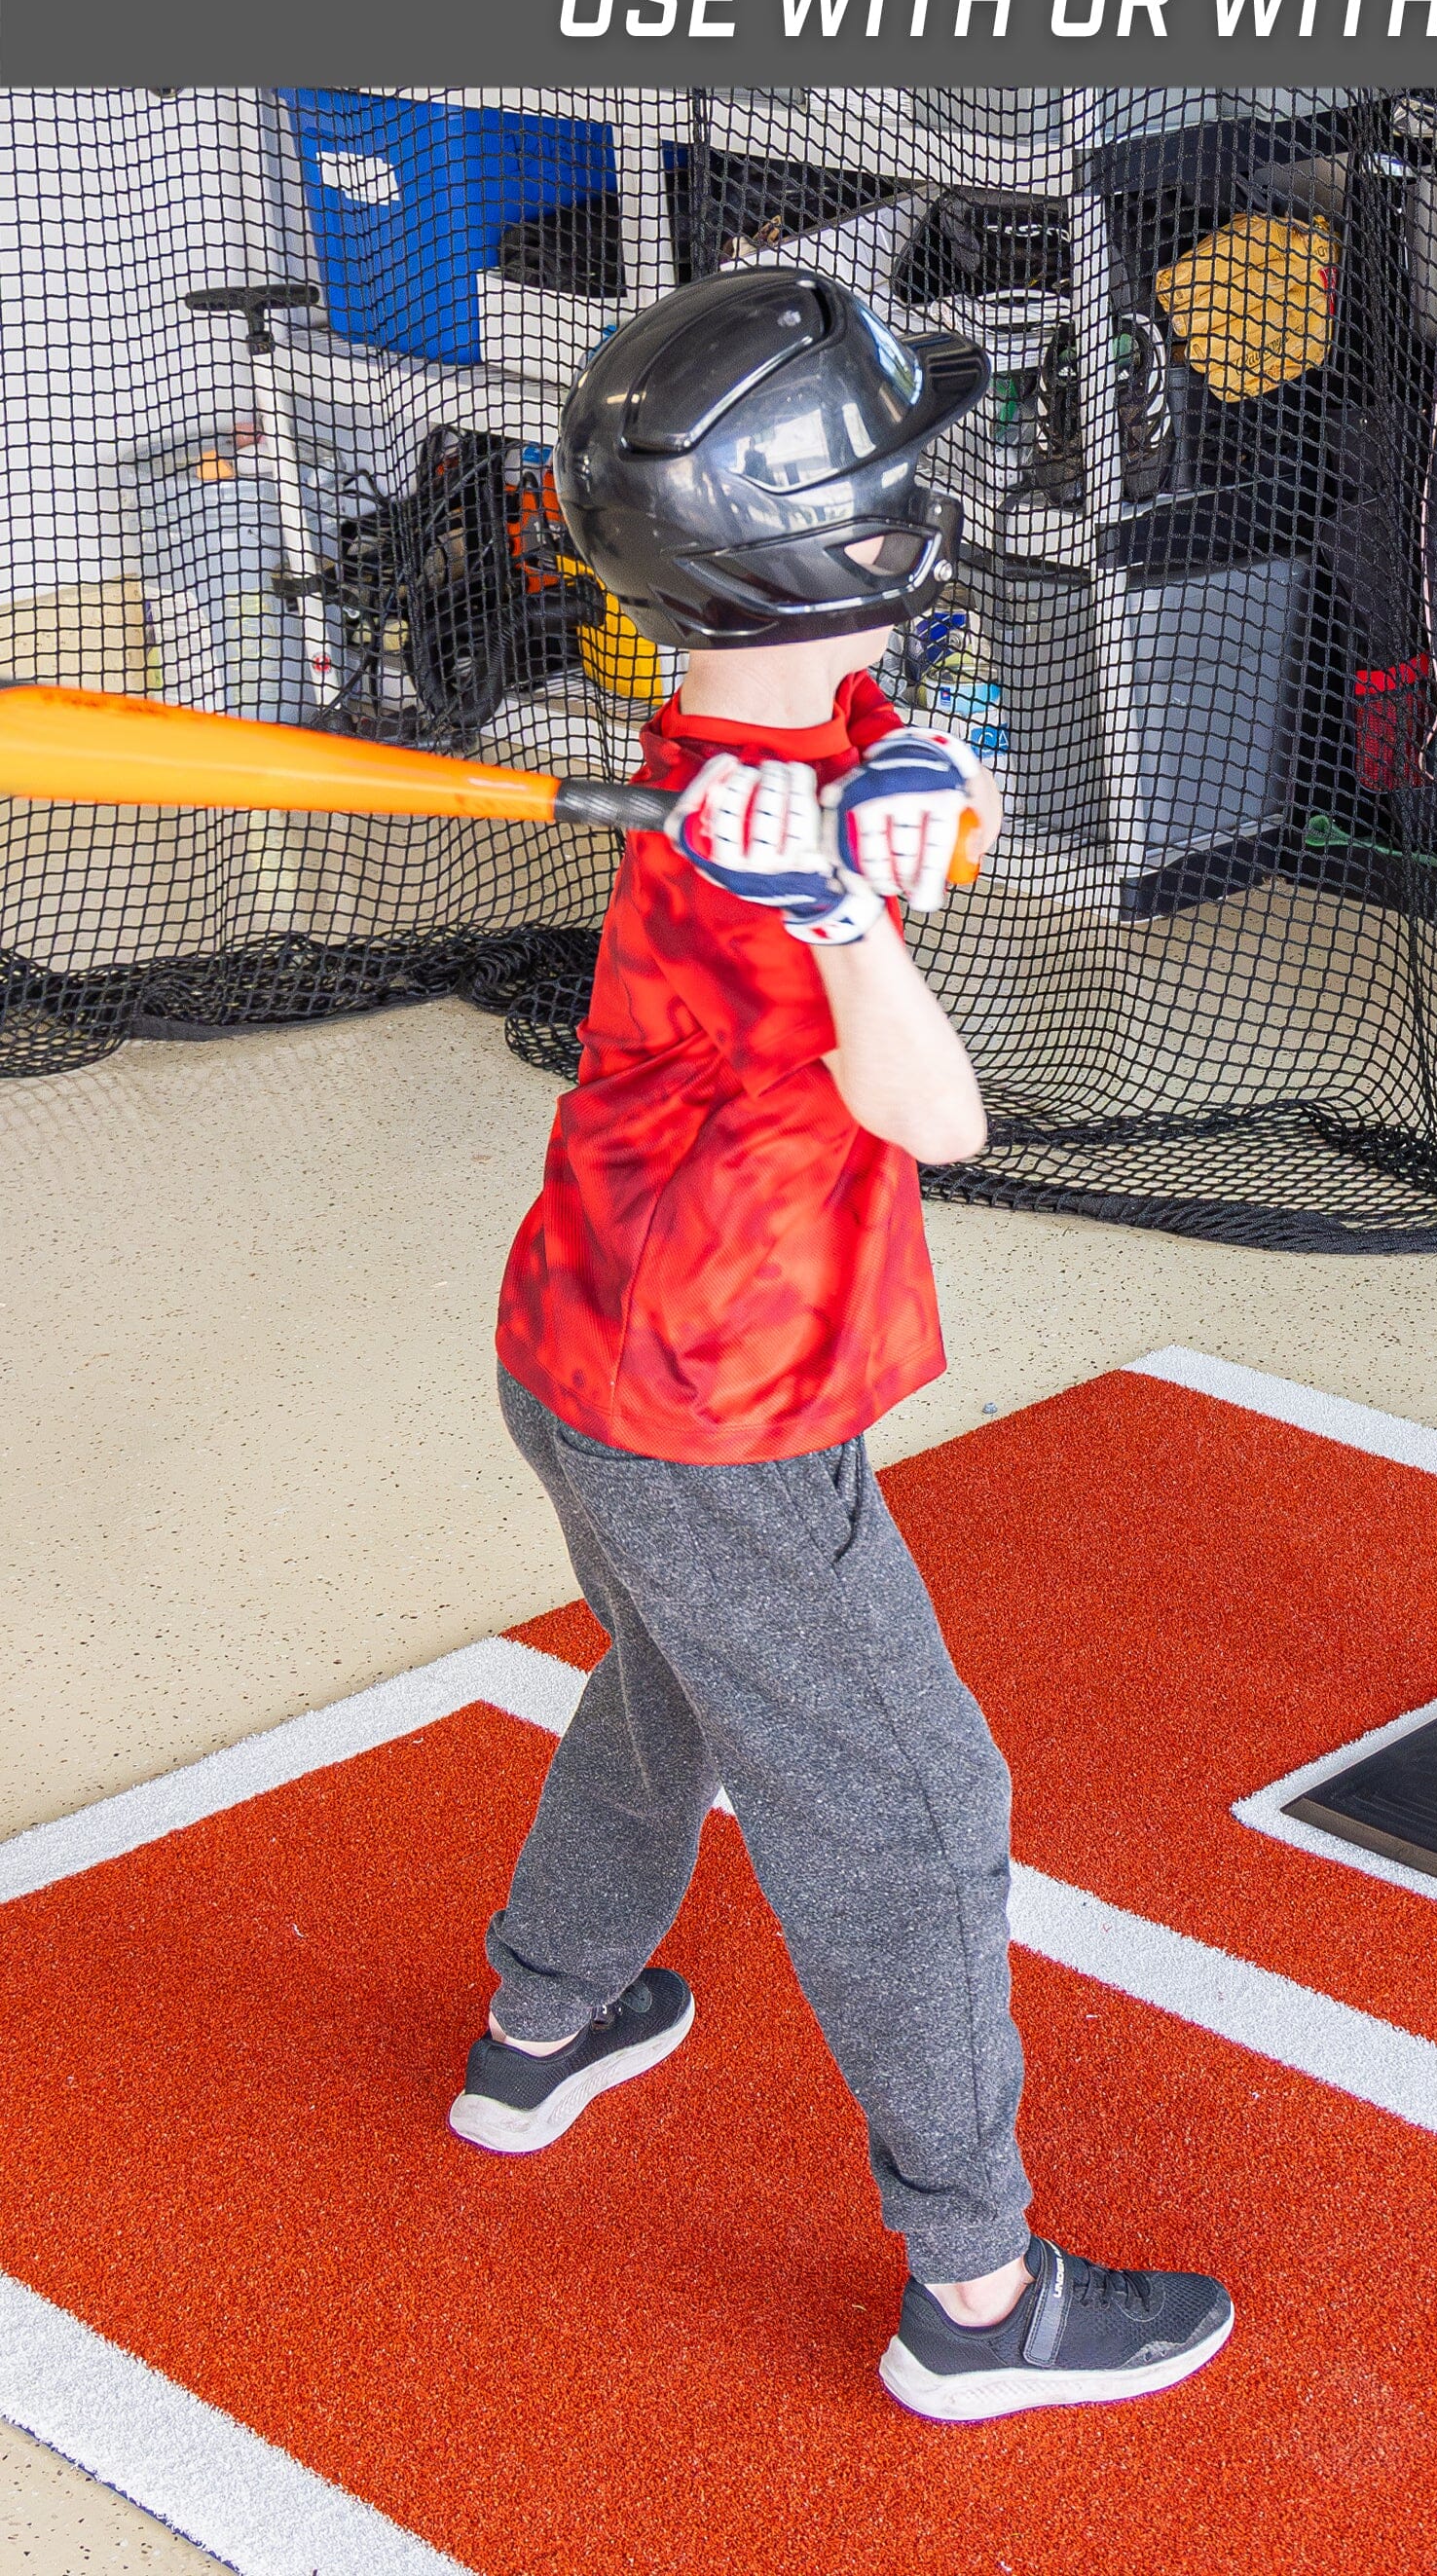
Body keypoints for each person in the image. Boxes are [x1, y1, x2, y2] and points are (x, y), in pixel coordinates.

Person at [447, 266, 1234, 2422]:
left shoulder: (742, 724)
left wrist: (910, 775)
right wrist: (835, 912)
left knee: (674, 1685)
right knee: (915, 1804)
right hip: (715, 1405)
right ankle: (974, 2299)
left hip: (588, 1354)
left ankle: (545, 2020)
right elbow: (943, 1114)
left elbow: (888, 768)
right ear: (861, 543)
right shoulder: (743, 852)